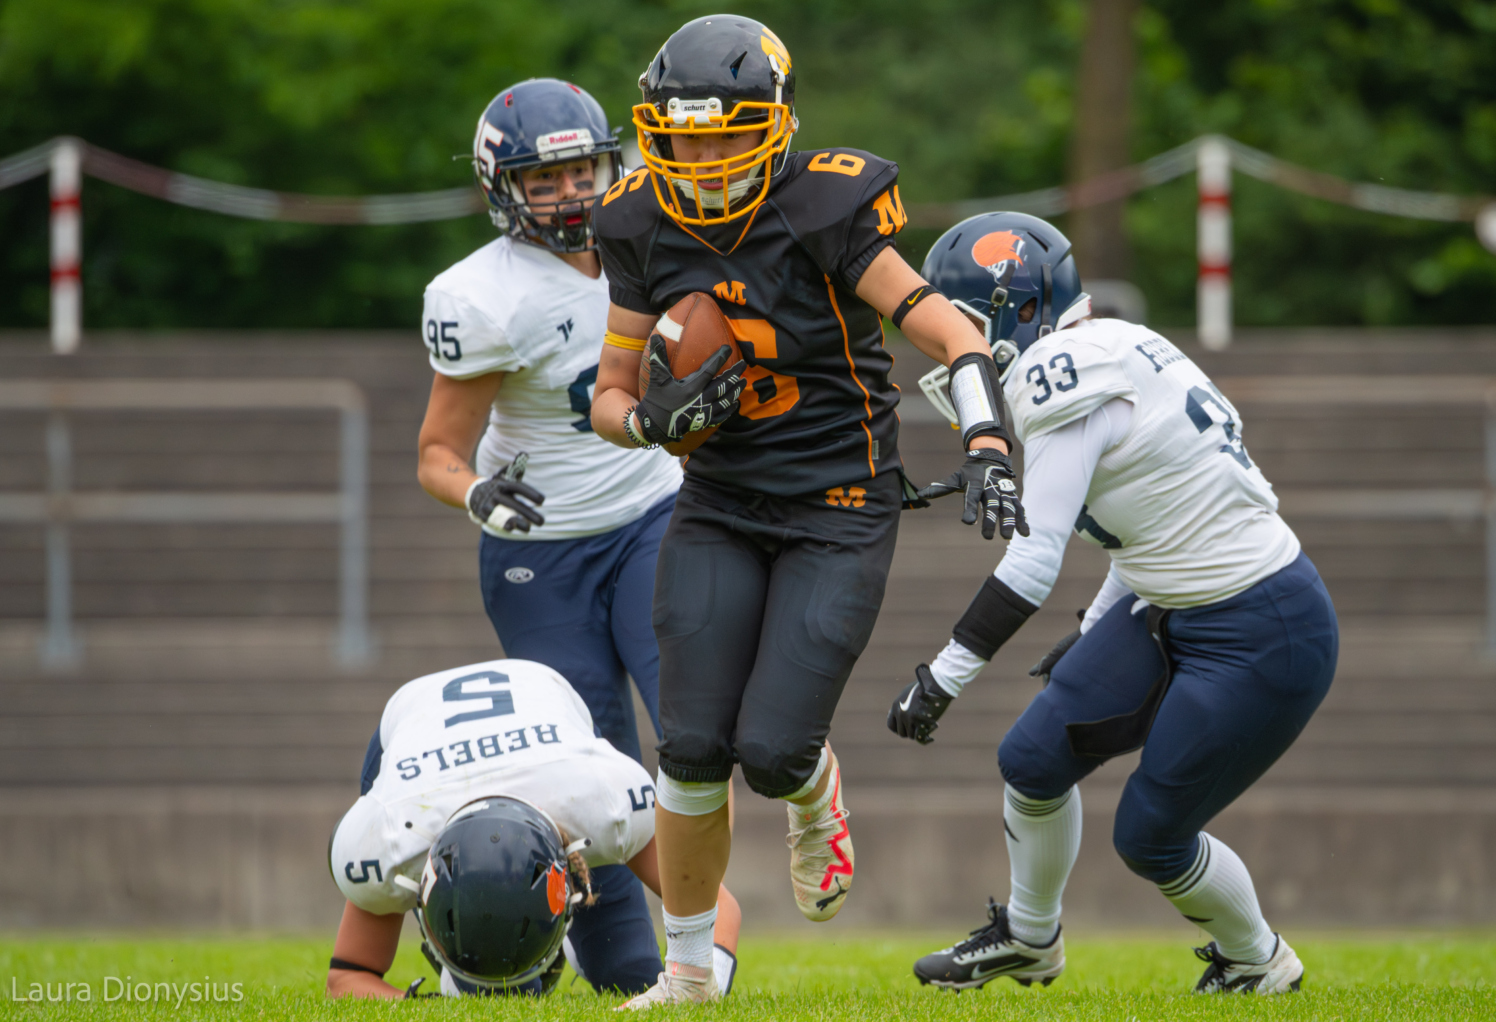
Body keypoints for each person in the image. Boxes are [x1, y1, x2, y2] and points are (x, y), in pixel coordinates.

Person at [588, 16, 1027, 1007]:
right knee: (694, 744)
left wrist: (987, 437)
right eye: (683, 136)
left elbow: (938, 320)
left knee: (773, 750)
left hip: (838, 501)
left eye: (722, 132)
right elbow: (605, 394)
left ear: (775, 123)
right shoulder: (633, 220)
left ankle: (813, 788)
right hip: (719, 498)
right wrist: (652, 424)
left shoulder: (826, 201)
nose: (700, 156)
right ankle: (692, 971)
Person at [887, 212, 1338, 995]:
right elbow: (1151, 517)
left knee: (1152, 837)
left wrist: (943, 677)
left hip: (1260, 624)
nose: (942, 343)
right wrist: (1095, 626)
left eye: (953, 322)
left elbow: (1033, 558)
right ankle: (1030, 940)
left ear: (1012, 309)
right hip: (1172, 601)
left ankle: (1259, 962)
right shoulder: (1112, 344)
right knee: (1031, 762)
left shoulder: (1057, 373)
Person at [415, 77, 686, 945]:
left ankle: (695, 938)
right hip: (545, 558)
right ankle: (627, 966)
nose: (571, 195)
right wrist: (477, 496)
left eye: (584, 173)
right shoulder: (483, 296)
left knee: (689, 731)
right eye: (546, 180)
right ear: (506, 189)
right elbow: (435, 456)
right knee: (583, 773)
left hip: (651, 516)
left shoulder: (654, 236)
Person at [326, 658, 741, 998]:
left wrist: (704, 990)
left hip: (544, 704)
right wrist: (428, 1006)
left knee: (629, 973)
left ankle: (559, 937)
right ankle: (476, 948)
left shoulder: (600, 800)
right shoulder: (395, 831)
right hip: (412, 726)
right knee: (494, 994)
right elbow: (347, 976)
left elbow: (717, 906)